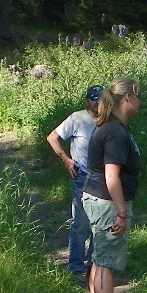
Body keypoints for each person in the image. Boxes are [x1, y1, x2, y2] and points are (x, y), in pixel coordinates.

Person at [82, 77, 143, 293]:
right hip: (107, 202)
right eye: (138, 95)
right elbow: (111, 176)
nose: (140, 101)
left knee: (99, 259)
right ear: (127, 98)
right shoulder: (116, 132)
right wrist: (121, 211)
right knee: (106, 263)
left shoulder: (111, 128)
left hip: (98, 199)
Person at [46, 85, 102, 276]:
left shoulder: (108, 120)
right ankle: (76, 267)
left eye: (101, 99)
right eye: (94, 99)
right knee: (81, 223)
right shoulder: (77, 119)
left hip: (103, 178)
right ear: (87, 100)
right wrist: (66, 160)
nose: (97, 103)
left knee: (100, 223)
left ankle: (94, 267)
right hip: (82, 177)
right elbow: (52, 137)